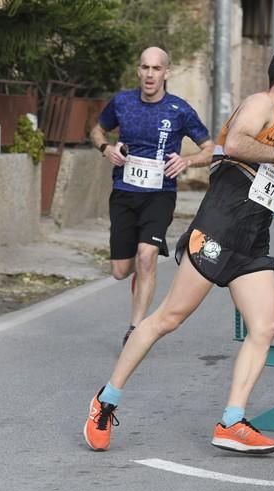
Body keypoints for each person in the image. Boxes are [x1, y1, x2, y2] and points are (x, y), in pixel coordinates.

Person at [84, 44, 274, 454]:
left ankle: (232, 422)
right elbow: (235, 144)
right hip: (219, 227)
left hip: (253, 237)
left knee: (265, 327)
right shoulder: (260, 105)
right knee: (168, 318)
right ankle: (105, 400)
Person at [90, 47, 214, 346]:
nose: (149, 74)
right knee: (121, 270)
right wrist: (106, 148)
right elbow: (97, 130)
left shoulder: (179, 110)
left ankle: (135, 330)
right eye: (145, 68)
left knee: (147, 257)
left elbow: (210, 148)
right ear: (138, 71)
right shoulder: (122, 102)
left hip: (160, 194)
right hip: (124, 191)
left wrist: (187, 161)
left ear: (166, 73)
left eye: (156, 68)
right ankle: (140, 270)